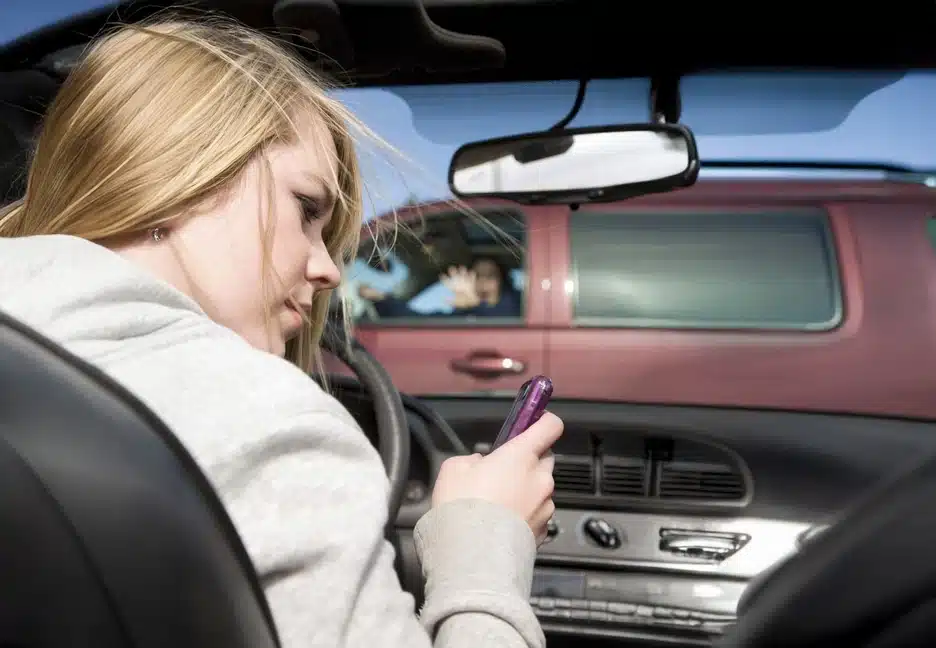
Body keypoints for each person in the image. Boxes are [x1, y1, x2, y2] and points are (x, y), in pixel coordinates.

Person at [0, 18, 561, 648]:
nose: (326, 270)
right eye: (306, 209)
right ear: (177, 168)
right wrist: (484, 550)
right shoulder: (273, 426)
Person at [359, 256, 523, 317]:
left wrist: (473, 303)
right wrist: (382, 298)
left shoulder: (518, 304)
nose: (483, 281)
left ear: (502, 280)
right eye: (477, 276)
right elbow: (416, 321)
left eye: (491, 275)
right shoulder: (460, 315)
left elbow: (507, 316)